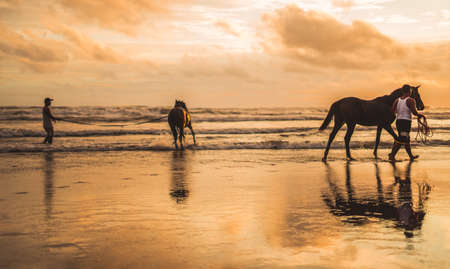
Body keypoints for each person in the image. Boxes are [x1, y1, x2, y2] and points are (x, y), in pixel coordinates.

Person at [388, 85, 424, 161]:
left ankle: (411, 156)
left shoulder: (397, 100)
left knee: (406, 139)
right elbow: (414, 112)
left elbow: (392, 111)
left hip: (398, 121)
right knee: (402, 138)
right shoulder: (410, 100)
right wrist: (419, 115)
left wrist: (400, 112)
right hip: (406, 122)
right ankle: (392, 155)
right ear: (409, 91)